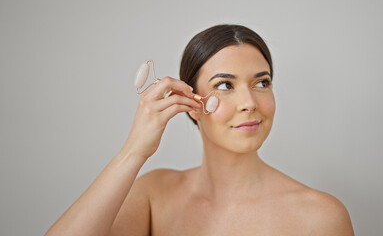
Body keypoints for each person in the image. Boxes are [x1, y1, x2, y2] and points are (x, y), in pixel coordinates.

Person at [46, 24, 354, 235]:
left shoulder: (320, 216)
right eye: (225, 85)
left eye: (262, 82)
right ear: (191, 102)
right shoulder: (155, 195)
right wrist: (133, 152)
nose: (249, 102)